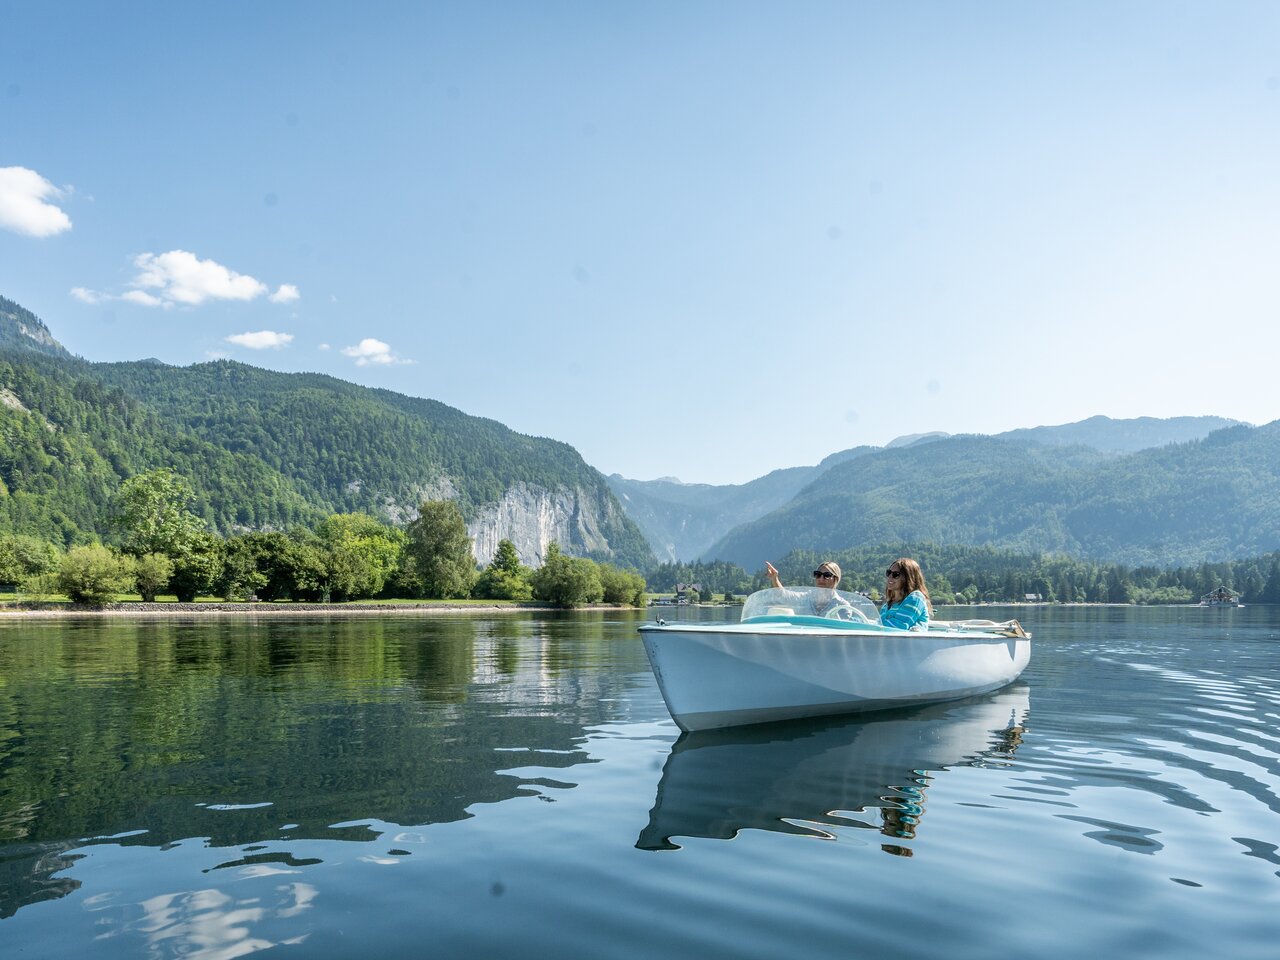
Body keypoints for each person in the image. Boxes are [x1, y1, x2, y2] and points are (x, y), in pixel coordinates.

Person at [763, 560, 855, 619]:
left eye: (827, 575)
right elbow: (784, 596)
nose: (821, 579)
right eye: (818, 574)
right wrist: (774, 579)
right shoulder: (805, 598)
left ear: (836, 579)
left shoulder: (843, 607)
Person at [880, 558, 931, 629]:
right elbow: (881, 625)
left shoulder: (916, 598)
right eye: (888, 573)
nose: (890, 576)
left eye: (896, 574)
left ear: (908, 577)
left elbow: (899, 626)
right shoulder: (887, 605)